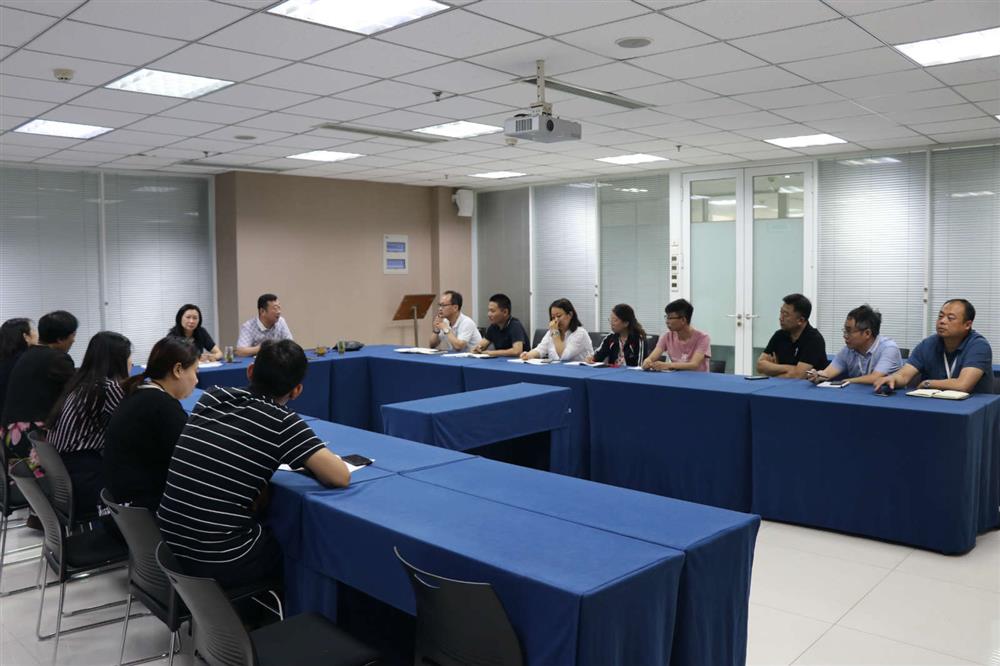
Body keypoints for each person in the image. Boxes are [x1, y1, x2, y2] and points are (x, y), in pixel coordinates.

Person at [157, 340, 350, 588]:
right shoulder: (282, 422)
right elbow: (339, 476)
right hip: (218, 558)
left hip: (170, 545)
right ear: (296, 391)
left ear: (250, 371)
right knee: (296, 544)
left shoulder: (213, 396)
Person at [104, 337, 199, 510]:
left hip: (122, 506)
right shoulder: (163, 406)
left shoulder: (137, 392)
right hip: (144, 508)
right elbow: (189, 461)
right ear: (178, 370)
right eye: (195, 371)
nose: (196, 380)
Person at [46, 331, 132, 517]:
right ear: (118, 360)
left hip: (64, 479)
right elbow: (134, 424)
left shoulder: (81, 383)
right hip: (84, 478)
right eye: (128, 356)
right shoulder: (108, 387)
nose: (131, 362)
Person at [1, 310, 77, 470]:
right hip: (34, 434)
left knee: (25, 482)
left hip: (12, 432)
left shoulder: (26, 356)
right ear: (60, 338)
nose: (74, 340)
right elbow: (78, 391)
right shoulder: (57, 358)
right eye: (73, 335)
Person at [874, 299, 994, 395]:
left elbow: (963, 385)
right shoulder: (928, 344)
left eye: (950, 318)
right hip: (934, 405)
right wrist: (893, 379)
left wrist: (927, 383)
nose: (942, 321)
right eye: (940, 316)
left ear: (967, 325)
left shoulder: (978, 346)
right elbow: (904, 375)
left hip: (973, 408)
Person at [809, 305, 902, 385]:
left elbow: (875, 378)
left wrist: (845, 381)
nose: (845, 335)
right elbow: (827, 373)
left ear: (867, 333)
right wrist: (817, 375)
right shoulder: (848, 350)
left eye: (849, 331)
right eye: (845, 330)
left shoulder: (889, 348)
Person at [756, 294, 828, 378]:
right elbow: (760, 366)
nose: (780, 318)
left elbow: (798, 375)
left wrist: (772, 370)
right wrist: (791, 368)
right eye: (781, 312)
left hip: (809, 386)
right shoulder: (779, 335)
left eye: (785, 314)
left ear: (800, 320)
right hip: (780, 385)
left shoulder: (814, 339)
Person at [642, 299, 711, 372]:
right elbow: (652, 357)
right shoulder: (667, 337)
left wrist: (667, 365)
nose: (667, 321)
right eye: (666, 317)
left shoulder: (703, 338)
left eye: (670, 318)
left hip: (698, 377)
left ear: (683, 320)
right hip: (677, 377)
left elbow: (694, 364)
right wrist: (647, 361)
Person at [521, 298, 593, 363]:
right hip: (556, 369)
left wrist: (555, 332)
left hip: (577, 371)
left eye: (559, 316)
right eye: (553, 317)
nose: (556, 320)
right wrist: (528, 355)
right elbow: (541, 349)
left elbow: (564, 357)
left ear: (570, 315)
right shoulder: (551, 332)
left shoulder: (580, 333)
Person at [0, 318, 36, 418]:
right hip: (18, 420)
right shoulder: (27, 360)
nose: (37, 334)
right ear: (25, 337)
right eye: (34, 330)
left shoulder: (4, 358)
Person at [473, 293, 529, 358]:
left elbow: (517, 351)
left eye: (492, 311)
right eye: (489, 311)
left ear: (505, 312)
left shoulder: (515, 325)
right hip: (501, 361)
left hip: (519, 362)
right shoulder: (493, 326)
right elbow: (481, 346)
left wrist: (492, 353)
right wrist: (477, 349)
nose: (489, 314)